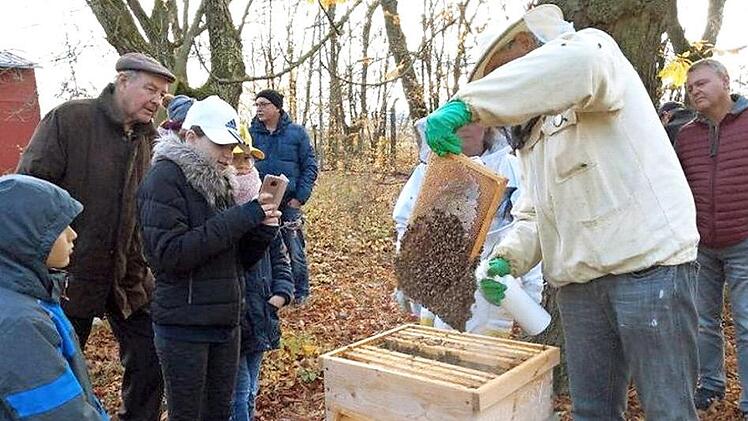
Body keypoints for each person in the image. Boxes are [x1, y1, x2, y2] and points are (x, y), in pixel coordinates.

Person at [424, 5, 700, 420]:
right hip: (580, 284)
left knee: (668, 410)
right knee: (592, 411)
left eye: (505, 68)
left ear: (532, 48)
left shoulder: (594, 53)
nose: (503, 79)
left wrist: (470, 105)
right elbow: (535, 214)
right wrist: (507, 258)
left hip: (649, 269)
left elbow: (577, 67)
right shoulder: (534, 137)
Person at [16, 52, 174, 420]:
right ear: (122, 82)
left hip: (128, 275)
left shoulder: (151, 141)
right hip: (70, 273)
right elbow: (31, 193)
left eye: (163, 95)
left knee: (152, 357)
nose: (157, 100)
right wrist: (42, 263)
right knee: (61, 371)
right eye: (150, 89)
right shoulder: (70, 120)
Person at [137, 95, 281, 421]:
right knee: (187, 415)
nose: (229, 155)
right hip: (183, 328)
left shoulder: (220, 183)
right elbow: (169, 255)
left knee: (220, 412)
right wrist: (244, 217)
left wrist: (262, 231)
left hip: (224, 324)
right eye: (220, 145)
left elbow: (233, 261)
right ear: (191, 137)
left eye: (232, 146)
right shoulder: (163, 179)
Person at [393, 119, 543, 335]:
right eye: (457, 122)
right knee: (437, 356)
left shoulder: (514, 168)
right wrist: (406, 273)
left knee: (485, 362)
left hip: (491, 288)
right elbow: (406, 224)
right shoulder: (429, 170)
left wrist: (530, 292)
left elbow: (530, 225)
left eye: (473, 121)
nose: (464, 127)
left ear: (488, 125)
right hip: (438, 284)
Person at [0, 174, 108, 420]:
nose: (72, 235)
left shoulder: (25, 299)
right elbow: (57, 413)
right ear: (23, 237)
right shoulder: (19, 323)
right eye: (59, 228)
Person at [675, 58, 748, 417]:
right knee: (703, 321)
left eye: (701, 83)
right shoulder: (686, 135)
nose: (695, 91)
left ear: (725, 81)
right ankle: (711, 385)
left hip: (745, 241)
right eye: (690, 88)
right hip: (702, 245)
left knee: (747, 322)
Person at [228, 141, 294, 421]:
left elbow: (281, 259)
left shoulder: (266, 208)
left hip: (262, 311)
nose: (243, 165)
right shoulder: (225, 210)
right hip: (234, 316)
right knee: (238, 393)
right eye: (236, 159)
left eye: (248, 159)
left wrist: (281, 294)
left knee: (251, 389)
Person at [250, 89, 318, 304]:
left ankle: (301, 293)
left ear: (277, 107)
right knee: (262, 245)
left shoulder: (297, 133)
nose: (259, 108)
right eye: (257, 104)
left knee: (295, 248)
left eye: (264, 104)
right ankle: (272, 291)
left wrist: (300, 197)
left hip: (289, 202)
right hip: (260, 201)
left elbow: (310, 167)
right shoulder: (250, 133)